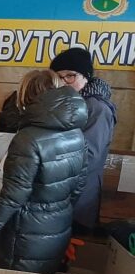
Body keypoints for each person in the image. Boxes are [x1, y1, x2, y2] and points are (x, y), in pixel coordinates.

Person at [0, 69, 88, 273]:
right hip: (58, 228)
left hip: (25, 234)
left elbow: (12, 197)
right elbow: (79, 185)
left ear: (26, 98)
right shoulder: (76, 133)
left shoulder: (28, 139)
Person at [49, 47, 116, 232]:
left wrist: (48, 163)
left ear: (86, 77)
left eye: (70, 76)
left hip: (78, 198)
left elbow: (89, 156)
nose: (64, 82)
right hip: (61, 192)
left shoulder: (96, 108)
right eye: (59, 77)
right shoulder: (69, 102)